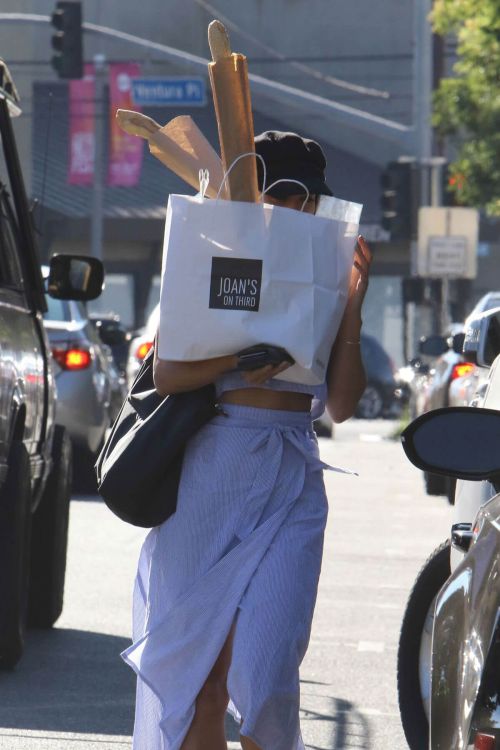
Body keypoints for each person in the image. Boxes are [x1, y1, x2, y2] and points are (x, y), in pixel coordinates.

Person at [121, 130, 373, 750]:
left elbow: (340, 404)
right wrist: (236, 365)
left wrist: (352, 308)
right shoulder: (210, 254)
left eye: (308, 200)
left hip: (291, 474)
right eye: (281, 194)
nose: (295, 211)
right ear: (252, 197)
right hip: (212, 470)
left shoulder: (325, 268)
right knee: (197, 683)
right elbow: (169, 372)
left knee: (264, 680)